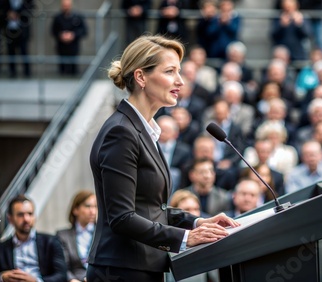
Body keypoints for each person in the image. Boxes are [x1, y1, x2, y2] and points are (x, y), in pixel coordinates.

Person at [87, 35, 238, 282]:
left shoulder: (146, 129)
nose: (180, 81)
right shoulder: (121, 132)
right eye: (170, 72)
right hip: (121, 272)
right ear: (141, 77)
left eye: (179, 71)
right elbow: (122, 217)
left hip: (142, 268)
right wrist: (186, 238)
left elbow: (154, 208)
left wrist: (197, 222)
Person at [0, 195, 67, 282]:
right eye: (20, 215)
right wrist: (2, 277)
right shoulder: (0, 249)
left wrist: (37, 281)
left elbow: (62, 276)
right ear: (10, 219)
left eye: (30, 214)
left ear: (34, 216)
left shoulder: (51, 242)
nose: (26, 219)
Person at [56, 190, 97, 282]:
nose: (93, 211)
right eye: (88, 206)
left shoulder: (102, 233)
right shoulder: (63, 235)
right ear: (75, 210)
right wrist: (71, 279)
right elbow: (62, 266)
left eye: (95, 207)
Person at [51, 0, 87, 75]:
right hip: (61, 46)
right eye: (64, 5)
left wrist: (73, 35)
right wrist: (61, 35)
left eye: (67, 5)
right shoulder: (58, 18)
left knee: (73, 66)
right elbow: (53, 31)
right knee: (62, 67)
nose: (66, 7)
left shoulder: (78, 17)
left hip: (74, 46)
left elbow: (84, 31)